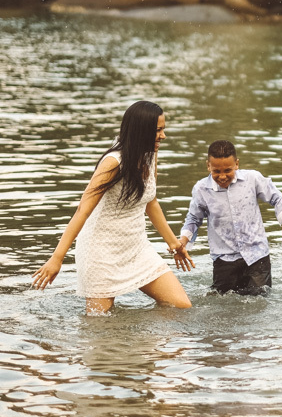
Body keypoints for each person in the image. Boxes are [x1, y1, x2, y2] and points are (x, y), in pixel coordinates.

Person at [31, 101, 194, 314]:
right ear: (141, 131)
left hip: (137, 248)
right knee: (100, 326)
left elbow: (150, 201)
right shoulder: (113, 162)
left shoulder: (149, 155)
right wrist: (57, 258)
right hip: (101, 252)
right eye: (158, 130)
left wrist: (174, 245)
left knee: (180, 307)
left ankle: (146, 346)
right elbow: (83, 210)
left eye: (163, 129)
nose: (163, 136)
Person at [179, 140, 282, 296]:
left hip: (257, 257)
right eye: (216, 171)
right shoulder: (201, 189)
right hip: (224, 260)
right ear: (208, 166)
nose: (222, 176)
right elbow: (193, 219)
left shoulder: (252, 179)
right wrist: (182, 242)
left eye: (228, 170)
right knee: (223, 307)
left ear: (236, 164)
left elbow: (278, 198)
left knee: (259, 304)